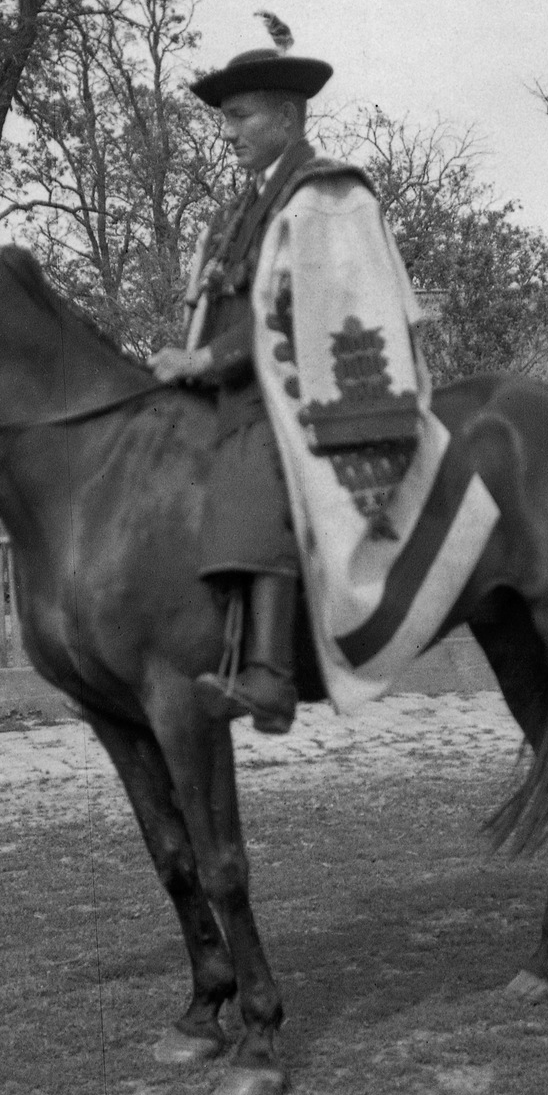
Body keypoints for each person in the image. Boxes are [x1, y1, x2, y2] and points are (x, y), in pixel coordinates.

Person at [148, 40, 340, 736]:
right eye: (224, 119)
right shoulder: (245, 209)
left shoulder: (318, 194)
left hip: (302, 387)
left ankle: (270, 676)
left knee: (252, 456)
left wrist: (200, 363)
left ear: (287, 117)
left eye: (240, 116)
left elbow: (292, 316)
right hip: (241, 386)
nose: (226, 133)